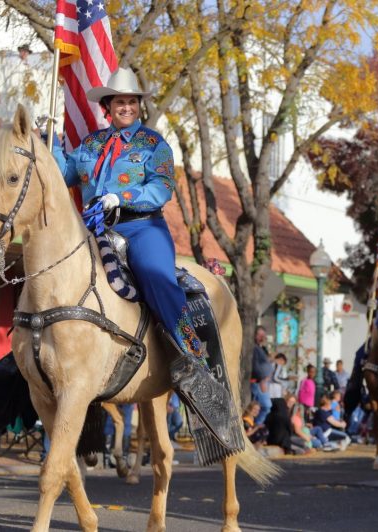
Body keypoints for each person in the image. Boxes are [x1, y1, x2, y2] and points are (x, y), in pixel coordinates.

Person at [52, 67, 233, 441]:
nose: (127, 107)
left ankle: (189, 353)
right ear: (107, 106)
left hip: (140, 226)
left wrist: (124, 197)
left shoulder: (153, 144)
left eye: (132, 101)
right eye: (120, 101)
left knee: (154, 272)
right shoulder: (90, 145)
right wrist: (48, 139)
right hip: (93, 228)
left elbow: (163, 187)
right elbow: (63, 174)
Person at [250, 326, 273, 424]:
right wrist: (262, 380)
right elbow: (255, 367)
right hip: (260, 383)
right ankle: (255, 426)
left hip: (264, 382)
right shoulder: (255, 348)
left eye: (263, 335)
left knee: (256, 407)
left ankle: (253, 425)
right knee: (267, 407)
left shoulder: (261, 348)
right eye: (259, 335)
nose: (262, 337)